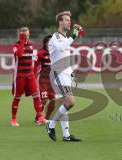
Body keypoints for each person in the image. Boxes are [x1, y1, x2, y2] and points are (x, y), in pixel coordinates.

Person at [45, 11, 83, 142]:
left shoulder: (66, 39)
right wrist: (74, 35)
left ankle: (66, 135)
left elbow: (65, 58)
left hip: (65, 73)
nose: (69, 22)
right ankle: (50, 124)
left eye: (70, 20)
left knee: (64, 104)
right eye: (67, 20)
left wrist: (72, 74)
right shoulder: (55, 37)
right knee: (71, 102)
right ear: (60, 22)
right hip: (58, 74)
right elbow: (61, 48)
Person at [11, 27, 46, 126]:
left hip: (30, 75)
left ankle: (40, 116)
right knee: (17, 97)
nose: (27, 37)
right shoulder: (16, 45)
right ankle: (13, 119)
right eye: (25, 35)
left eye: (28, 35)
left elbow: (32, 60)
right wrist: (22, 41)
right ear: (21, 36)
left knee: (36, 95)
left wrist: (33, 74)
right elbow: (19, 54)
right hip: (20, 76)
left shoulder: (31, 44)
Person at [34, 35, 55, 120]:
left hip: (52, 81)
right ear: (45, 43)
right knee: (44, 100)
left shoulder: (56, 52)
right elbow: (35, 66)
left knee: (53, 101)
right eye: (49, 42)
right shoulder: (40, 52)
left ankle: (47, 118)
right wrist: (34, 78)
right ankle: (38, 116)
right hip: (43, 80)